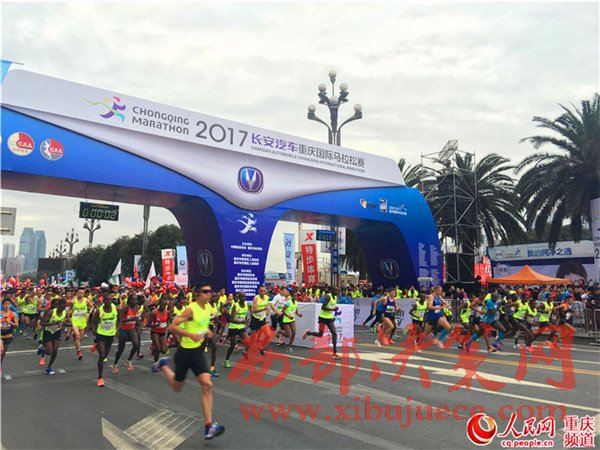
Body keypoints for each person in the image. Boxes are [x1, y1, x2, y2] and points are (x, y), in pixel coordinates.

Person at [151, 283, 225, 440]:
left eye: (210, 291)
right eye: (205, 291)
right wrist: (189, 335)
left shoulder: (208, 308)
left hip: (197, 353)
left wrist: (207, 331)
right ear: (197, 294)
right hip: (184, 353)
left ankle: (208, 427)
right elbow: (172, 327)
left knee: (207, 385)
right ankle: (163, 365)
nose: (209, 293)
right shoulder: (191, 309)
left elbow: (201, 324)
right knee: (177, 387)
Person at [302, 288, 341, 359]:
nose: (338, 292)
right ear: (332, 291)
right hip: (322, 318)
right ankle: (308, 333)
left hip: (329, 318)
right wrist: (333, 309)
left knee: (334, 333)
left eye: (338, 291)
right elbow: (323, 307)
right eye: (337, 291)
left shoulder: (335, 297)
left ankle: (334, 353)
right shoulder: (328, 297)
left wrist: (334, 307)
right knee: (320, 334)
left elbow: (331, 306)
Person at [91, 293, 119, 387]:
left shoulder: (115, 308)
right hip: (101, 334)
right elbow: (93, 322)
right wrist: (94, 330)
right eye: (107, 300)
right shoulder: (99, 310)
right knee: (102, 355)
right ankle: (100, 378)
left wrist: (117, 329)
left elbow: (120, 318)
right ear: (103, 301)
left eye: (110, 300)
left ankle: (97, 345)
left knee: (105, 356)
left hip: (110, 335)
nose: (109, 302)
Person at [37, 298, 71, 375]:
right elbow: (42, 323)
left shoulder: (65, 313)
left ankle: (48, 367)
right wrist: (54, 323)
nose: (62, 309)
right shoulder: (51, 312)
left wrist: (64, 323)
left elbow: (70, 324)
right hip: (48, 332)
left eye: (64, 307)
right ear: (58, 306)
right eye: (61, 307)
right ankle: (42, 349)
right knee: (49, 351)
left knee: (55, 351)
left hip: (57, 332)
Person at [112, 295, 143, 373]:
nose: (135, 301)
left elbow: (136, 318)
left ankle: (128, 360)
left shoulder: (137, 307)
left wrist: (138, 322)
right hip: (123, 329)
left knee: (136, 344)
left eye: (136, 300)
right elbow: (120, 319)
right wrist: (117, 330)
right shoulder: (126, 308)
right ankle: (115, 364)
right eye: (133, 300)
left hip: (132, 328)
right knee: (121, 349)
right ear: (129, 300)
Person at [224, 292, 249, 368]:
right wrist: (241, 321)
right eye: (242, 297)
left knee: (248, 342)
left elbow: (245, 314)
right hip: (233, 327)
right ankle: (227, 360)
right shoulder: (235, 305)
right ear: (239, 298)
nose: (244, 298)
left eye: (245, 297)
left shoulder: (246, 304)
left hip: (241, 327)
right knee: (232, 345)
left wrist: (246, 320)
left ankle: (245, 352)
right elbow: (231, 319)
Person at [71, 289, 94, 361]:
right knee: (78, 336)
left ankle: (74, 335)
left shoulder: (86, 300)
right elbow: (69, 310)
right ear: (76, 293)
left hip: (83, 320)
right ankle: (79, 352)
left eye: (82, 293)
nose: (81, 295)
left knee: (80, 338)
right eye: (79, 293)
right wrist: (69, 318)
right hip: (75, 320)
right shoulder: (73, 301)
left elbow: (92, 306)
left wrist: (89, 313)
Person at [149, 296, 170, 363]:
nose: (164, 306)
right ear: (159, 304)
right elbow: (148, 324)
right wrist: (154, 325)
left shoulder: (167, 312)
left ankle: (153, 346)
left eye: (165, 305)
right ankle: (155, 363)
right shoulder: (154, 313)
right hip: (155, 332)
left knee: (164, 351)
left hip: (162, 332)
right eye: (162, 304)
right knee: (158, 348)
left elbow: (168, 321)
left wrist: (167, 330)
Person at [1, 298, 19, 370]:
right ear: (3, 305)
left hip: (8, 336)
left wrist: (10, 322)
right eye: (5, 304)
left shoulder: (13, 314)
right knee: (0, 350)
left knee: (3, 353)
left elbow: (16, 325)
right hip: (0, 336)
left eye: (9, 304)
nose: (7, 305)